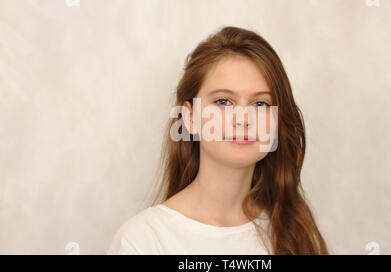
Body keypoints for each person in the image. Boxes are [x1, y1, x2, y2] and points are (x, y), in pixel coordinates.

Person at [107, 26, 328, 255]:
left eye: (260, 104)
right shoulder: (142, 242)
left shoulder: (297, 236)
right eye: (223, 102)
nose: (243, 119)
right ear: (189, 117)